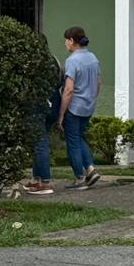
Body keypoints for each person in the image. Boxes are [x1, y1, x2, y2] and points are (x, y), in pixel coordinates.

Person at [57, 26, 101, 190]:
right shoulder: (92, 57)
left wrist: (61, 113)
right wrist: (91, 98)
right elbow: (98, 82)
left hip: (74, 107)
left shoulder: (72, 61)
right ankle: (90, 169)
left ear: (71, 41)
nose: (65, 44)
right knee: (78, 137)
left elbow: (68, 89)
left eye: (66, 40)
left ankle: (79, 177)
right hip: (88, 106)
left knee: (73, 142)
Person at [25, 45, 64, 196]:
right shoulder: (53, 60)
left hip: (38, 105)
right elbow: (60, 81)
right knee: (40, 141)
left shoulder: (33, 63)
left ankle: (45, 182)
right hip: (53, 102)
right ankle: (37, 179)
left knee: (39, 143)